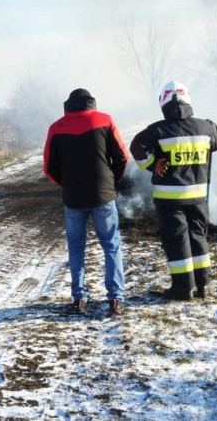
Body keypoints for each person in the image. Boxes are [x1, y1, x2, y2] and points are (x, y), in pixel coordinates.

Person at [130, 81, 217, 301]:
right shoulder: (207, 127)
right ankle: (204, 285)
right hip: (199, 196)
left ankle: (183, 289)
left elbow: (137, 148)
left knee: (177, 239)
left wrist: (154, 164)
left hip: (169, 198)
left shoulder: (157, 130)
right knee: (199, 236)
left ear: (163, 102)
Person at [44, 89, 129, 317]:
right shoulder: (105, 120)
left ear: (68, 104)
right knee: (111, 245)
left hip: (73, 198)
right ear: (91, 102)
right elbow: (122, 157)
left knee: (76, 248)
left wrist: (68, 185)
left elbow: (49, 167)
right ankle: (115, 299)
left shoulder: (57, 127)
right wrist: (111, 181)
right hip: (104, 196)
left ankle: (79, 298)